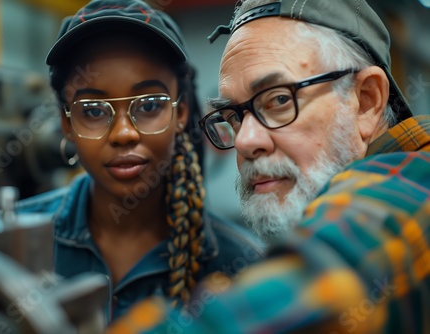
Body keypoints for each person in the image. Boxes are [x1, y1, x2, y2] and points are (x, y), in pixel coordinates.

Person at [106, 0, 430, 333]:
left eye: (278, 100)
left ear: (365, 101)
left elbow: (330, 279)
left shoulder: (415, 186)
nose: (245, 141)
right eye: (233, 116)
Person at [17, 0, 265, 324]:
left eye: (149, 105)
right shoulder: (12, 242)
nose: (123, 133)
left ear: (182, 112)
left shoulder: (241, 267)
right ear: (67, 125)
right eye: (93, 110)